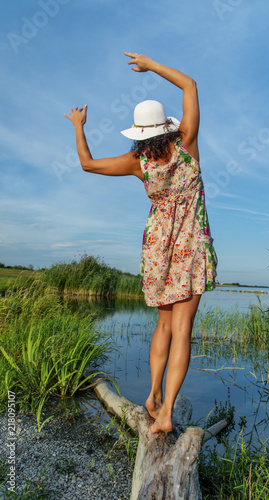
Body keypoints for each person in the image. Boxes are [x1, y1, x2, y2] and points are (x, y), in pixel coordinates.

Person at [65, 52, 217, 434]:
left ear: (140, 133)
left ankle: (152, 395)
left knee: (163, 326)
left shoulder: (137, 163)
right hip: (192, 247)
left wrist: (79, 126)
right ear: (165, 127)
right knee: (182, 329)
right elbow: (190, 84)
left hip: (157, 252)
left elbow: (87, 163)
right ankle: (165, 415)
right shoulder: (187, 143)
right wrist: (152, 65)